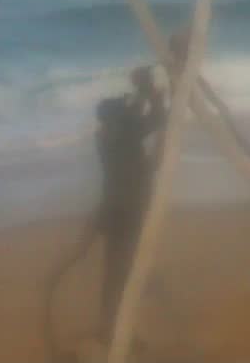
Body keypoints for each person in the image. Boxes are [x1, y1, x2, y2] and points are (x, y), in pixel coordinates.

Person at [94, 63, 167, 343]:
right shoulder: (125, 132)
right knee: (129, 270)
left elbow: (132, 115)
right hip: (130, 209)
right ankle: (122, 332)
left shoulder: (105, 135)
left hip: (112, 209)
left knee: (114, 271)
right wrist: (151, 91)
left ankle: (109, 327)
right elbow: (158, 118)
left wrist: (141, 90)